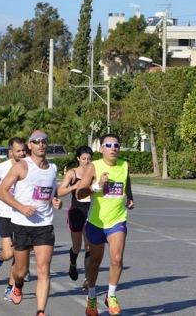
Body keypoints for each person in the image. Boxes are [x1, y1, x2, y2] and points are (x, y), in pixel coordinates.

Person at [0, 130, 62, 316]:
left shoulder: (53, 168)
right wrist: (21, 207)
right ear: (30, 145)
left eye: (44, 141)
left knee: (44, 270)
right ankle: (17, 284)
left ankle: (40, 312)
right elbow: (2, 191)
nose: (41, 144)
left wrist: (55, 200)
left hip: (44, 225)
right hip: (21, 224)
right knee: (21, 270)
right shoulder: (21, 166)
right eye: (37, 141)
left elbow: (51, 192)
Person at [76, 134, 135, 316]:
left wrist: (130, 197)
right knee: (95, 262)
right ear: (101, 149)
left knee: (117, 259)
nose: (113, 148)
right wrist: (97, 185)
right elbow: (79, 193)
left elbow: (126, 182)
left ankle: (110, 295)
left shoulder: (124, 166)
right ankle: (92, 296)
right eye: (108, 145)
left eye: (116, 145)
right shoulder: (94, 166)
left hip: (117, 220)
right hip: (96, 222)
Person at [0, 137, 27, 301]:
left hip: (24, 218)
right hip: (6, 215)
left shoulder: (31, 168)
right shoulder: (1, 168)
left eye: (24, 150)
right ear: (11, 152)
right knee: (9, 254)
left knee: (18, 256)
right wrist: (4, 195)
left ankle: (10, 288)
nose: (22, 153)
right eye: (18, 151)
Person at [57, 146, 93, 291]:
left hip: (91, 210)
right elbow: (59, 191)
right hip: (77, 210)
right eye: (83, 159)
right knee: (77, 246)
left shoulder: (94, 171)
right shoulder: (72, 173)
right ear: (78, 158)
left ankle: (87, 278)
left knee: (89, 245)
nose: (86, 161)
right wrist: (74, 187)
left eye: (89, 159)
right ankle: (72, 263)